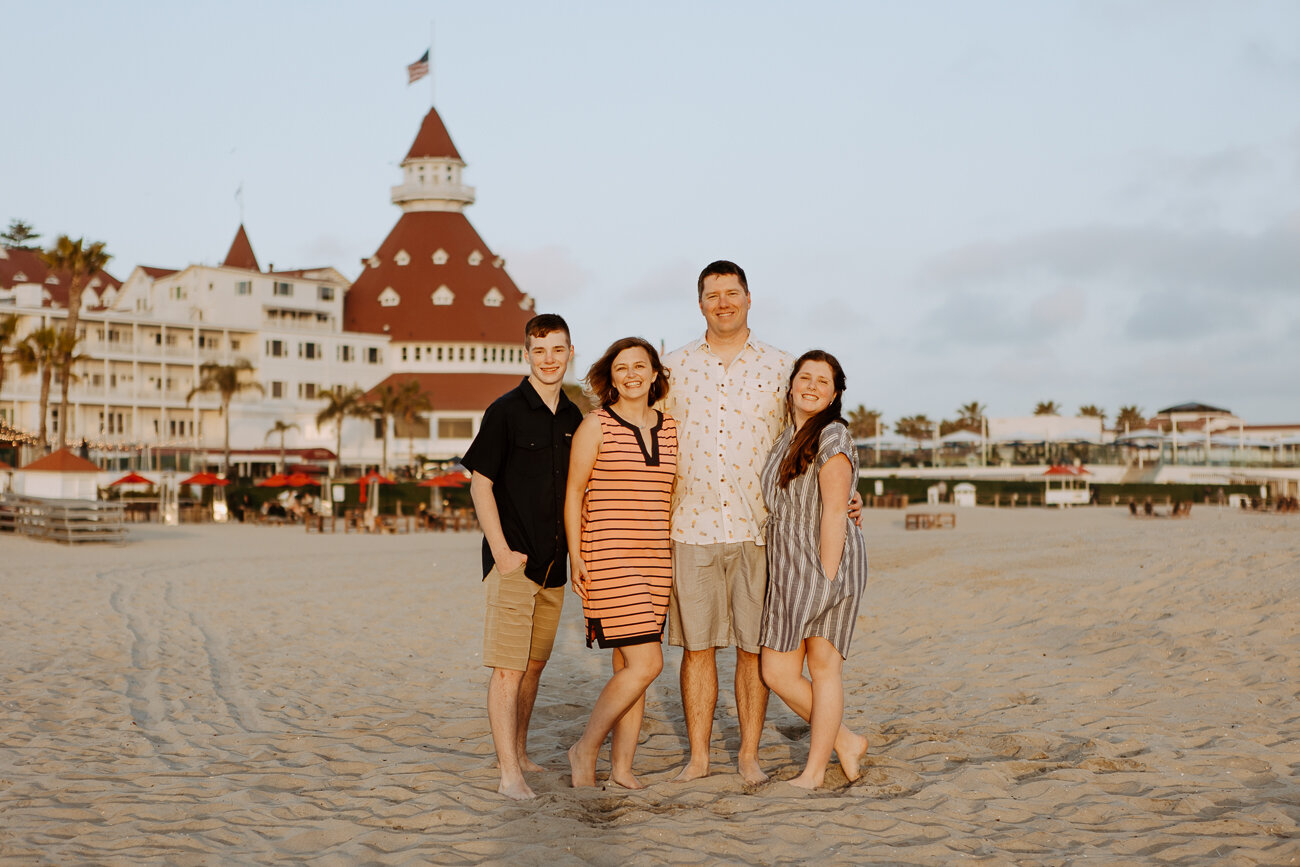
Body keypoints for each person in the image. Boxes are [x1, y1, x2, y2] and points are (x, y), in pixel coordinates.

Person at [660, 260, 862, 784]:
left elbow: (815, 436)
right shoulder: (673, 366)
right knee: (697, 650)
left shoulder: (781, 367)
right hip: (691, 526)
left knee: (755, 652)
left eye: (732, 293)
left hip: (760, 532)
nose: (722, 302)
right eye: (712, 295)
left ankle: (748, 755)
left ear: (750, 298)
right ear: (699, 302)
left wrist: (849, 494)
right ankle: (701, 758)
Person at [462, 313, 582, 800]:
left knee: (534, 666)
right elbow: (480, 482)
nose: (549, 359)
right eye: (540, 350)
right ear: (526, 354)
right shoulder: (505, 411)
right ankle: (508, 774)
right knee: (508, 669)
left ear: (570, 352)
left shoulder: (576, 417)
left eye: (558, 349)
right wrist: (501, 551)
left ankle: (521, 750)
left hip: (555, 568)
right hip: (514, 564)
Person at [564, 337, 678, 789]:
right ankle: (585, 748)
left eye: (640, 366)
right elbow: (574, 492)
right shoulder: (596, 425)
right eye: (621, 368)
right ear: (610, 378)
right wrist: (577, 554)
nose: (631, 374)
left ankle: (623, 768)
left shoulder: (670, 428)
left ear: (654, 374)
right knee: (648, 664)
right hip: (609, 557)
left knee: (630, 669)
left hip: (657, 561)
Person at [758, 350, 870, 789]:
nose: (811, 386)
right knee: (777, 672)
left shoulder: (832, 437)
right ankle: (845, 740)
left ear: (835, 393)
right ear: (791, 385)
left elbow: (834, 512)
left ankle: (814, 771)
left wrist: (825, 578)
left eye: (822, 381)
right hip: (789, 566)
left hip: (825, 564)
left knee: (823, 670)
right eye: (805, 377)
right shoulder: (790, 436)